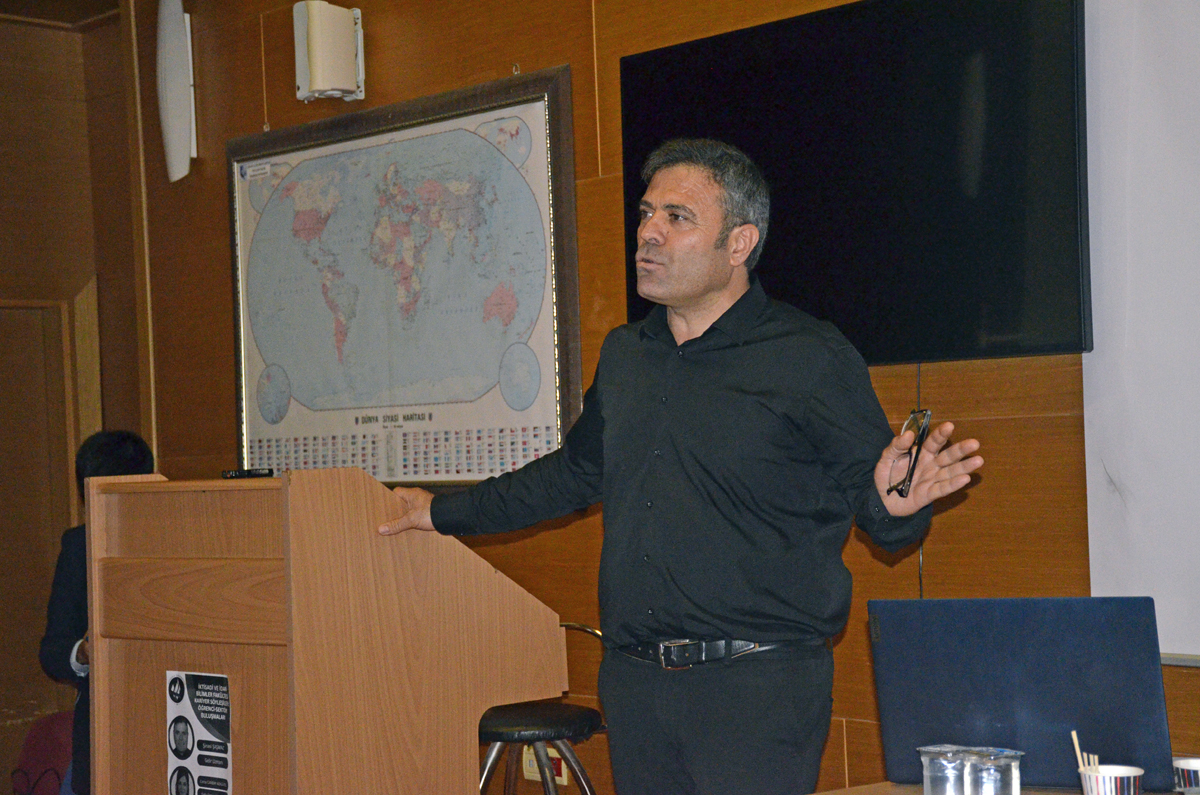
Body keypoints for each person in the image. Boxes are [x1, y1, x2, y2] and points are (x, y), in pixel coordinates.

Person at [378, 139, 983, 795]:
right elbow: (571, 475)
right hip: (635, 684)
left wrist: (897, 504)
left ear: (739, 242)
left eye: (677, 217)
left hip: (757, 688)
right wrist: (439, 511)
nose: (649, 233)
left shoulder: (808, 357)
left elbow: (879, 506)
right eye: (646, 214)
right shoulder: (627, 355)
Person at [40, 430, 154, 795]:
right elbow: (52, 652)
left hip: (163, 726)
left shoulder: (175, 538)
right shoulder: (78, 547)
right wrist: (82, 653)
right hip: (99, 737)